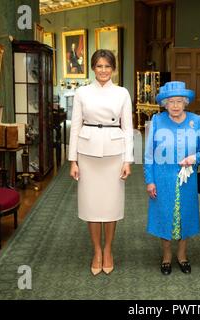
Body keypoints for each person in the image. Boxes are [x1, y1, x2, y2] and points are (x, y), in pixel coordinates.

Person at [69, 49, 133, 276]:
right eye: (99, 66)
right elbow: (75, 126)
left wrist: (128, 159)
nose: (103, 70)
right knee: (92, 205)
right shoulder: (82, 93)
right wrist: (73, 160)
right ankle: (96, 250)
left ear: (113, 68)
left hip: (115, 153)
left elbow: (128, 128)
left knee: (111, 205)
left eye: (107, 66)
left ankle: (108, 249)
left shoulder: (122, 93)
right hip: (87, 154)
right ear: (93, 68)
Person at [144, 81, 200, 275]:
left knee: (185, 216)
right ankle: (166, 256)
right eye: (171, 101)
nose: (175, 106)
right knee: (164, 216)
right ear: (164, 103)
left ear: (185, 102)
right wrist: (150, 180)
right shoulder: (156, 121)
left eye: (179, 101)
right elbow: (149, 155)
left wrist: (194, 158)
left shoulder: (196, 121)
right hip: (162, 178)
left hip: (186, 180)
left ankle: (182, 255)